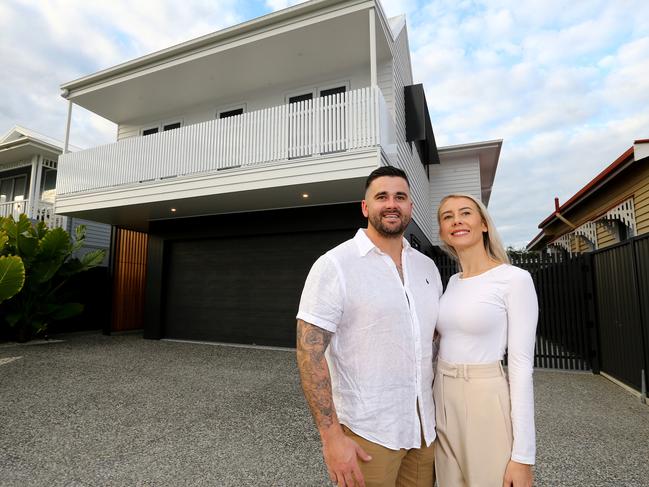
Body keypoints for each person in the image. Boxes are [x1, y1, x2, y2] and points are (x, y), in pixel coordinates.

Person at [296, 166, 443, 487]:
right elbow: (309, 352)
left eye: (400, 197)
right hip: (368, 432)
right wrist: (331, 436)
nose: (392, 204)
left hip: (424, 432)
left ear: (410, 208)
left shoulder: (427, 267)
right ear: (366, 207)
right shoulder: (335, 265)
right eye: (382, 197)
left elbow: (433, 341)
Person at [434, 193, 538, 487]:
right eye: (447, 216)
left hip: (483, 395)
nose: (457, 221)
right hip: (441, 394)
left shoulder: (514, 279)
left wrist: (523, 456)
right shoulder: (453, 283)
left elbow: (520, 366)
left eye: (465, 213)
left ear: (482, 224)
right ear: (442, 232)